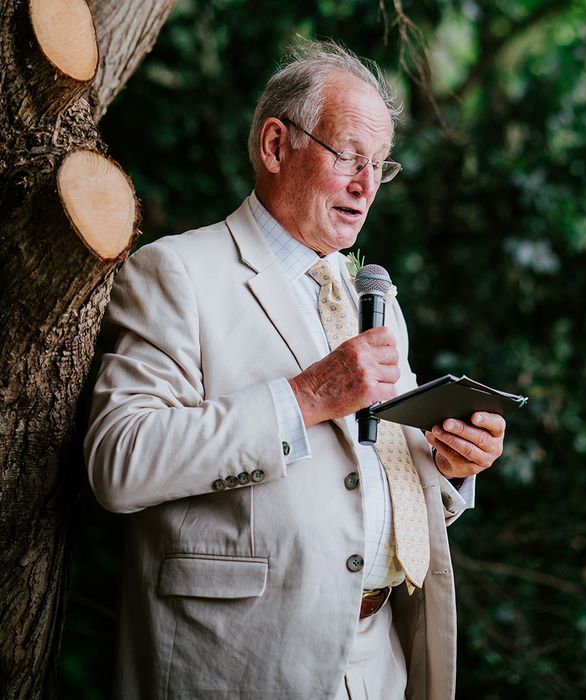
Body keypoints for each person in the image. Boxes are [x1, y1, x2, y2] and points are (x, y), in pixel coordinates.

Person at [85, 39, 505, 700]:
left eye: (380, 166)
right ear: (276, 145)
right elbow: (120, 463)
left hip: (378, 665)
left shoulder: (376, 299)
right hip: (235, 661)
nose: (367, 186)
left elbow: (373, 481)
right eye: (348, 157)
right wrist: (308, 396)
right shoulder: (179, 273)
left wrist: (447, 466)